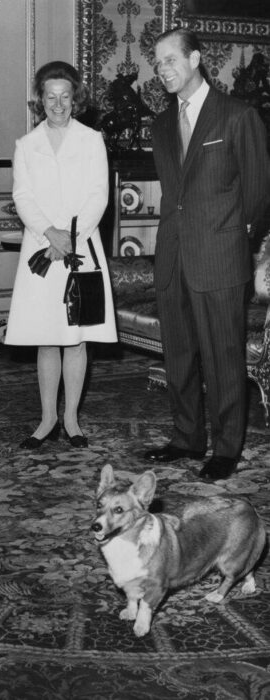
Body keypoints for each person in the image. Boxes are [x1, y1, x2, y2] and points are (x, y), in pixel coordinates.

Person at [144, 28, 270, 481]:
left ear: (195, 58)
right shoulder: (160, 124)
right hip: (173, 256)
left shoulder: (237, 116)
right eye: (157, 64)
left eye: (170, 60)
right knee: (178, 354)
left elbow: (258, 191)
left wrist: (235, 239)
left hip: (219, 255)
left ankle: (226, 448)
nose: (163, 71)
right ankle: (186, 437)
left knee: (223, 357)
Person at [5, 61, 117, 449]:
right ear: (40, 100)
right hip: (41, 250)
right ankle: (47, 417)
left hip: (79, 249)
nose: (58, 104)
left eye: (65, 96)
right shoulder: (26, 145)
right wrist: (48, 233)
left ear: (75, 99)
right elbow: (22, 196)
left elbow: (98, 195)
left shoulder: (91, 140)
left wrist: (69, 238)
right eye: (50, 97)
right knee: (46, 336)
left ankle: (71, 419)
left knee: (76, 336)